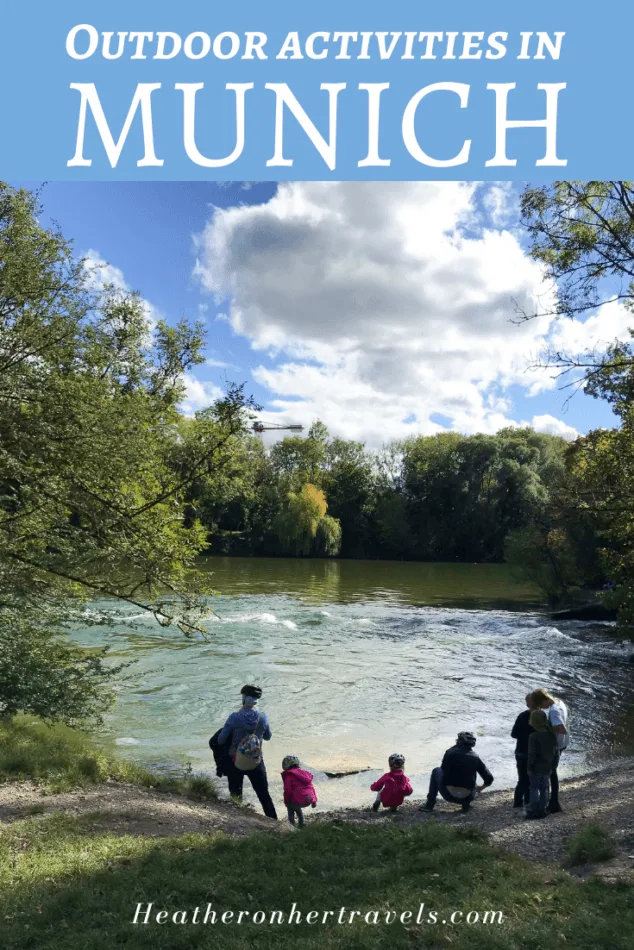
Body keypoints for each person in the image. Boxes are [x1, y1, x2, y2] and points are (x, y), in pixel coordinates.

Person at [218, 684, 278, 820]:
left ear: (244, 698)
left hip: (235, 761)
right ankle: (274, 822)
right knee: (264, 794)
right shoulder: (263, 717)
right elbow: (268, 737)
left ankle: (237, 822)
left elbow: (221, 740)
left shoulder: (234, 717)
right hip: (256, 761)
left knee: (236, 794)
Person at [419, 731, 493, 813]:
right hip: (467, 797)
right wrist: (480, 788)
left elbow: (443, 771)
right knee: (470, 777)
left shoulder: (449, 753)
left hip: (448, 795)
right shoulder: (475, 757)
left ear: (459, 742)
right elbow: (489, 778)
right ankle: (466, 806)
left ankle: (429, 805)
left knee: (436, 770)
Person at [530, 688, 569, 814]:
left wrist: (546, 728)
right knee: (552, 772)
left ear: (544, 700)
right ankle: (552, 802)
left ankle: (553, 803)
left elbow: (562, 729)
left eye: (541, 705)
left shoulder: (553, 711)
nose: (542, 708)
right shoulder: (559, 702)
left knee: (551, 773)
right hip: (563, 743)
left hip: (555, 745)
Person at [525, 709, 559, 820]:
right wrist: (554, 765)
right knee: (544, 787)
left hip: (536, 767)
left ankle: (534, 810)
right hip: (548, 766)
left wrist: (529, 767)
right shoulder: (551, 734)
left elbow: (532, 754)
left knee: (534, 788)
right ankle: (543, 809)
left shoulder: (533, 736)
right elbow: (556, 752)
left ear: (533, 722)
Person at [511, 693, 536, 808]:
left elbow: (513, 734)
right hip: (533, 753)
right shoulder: (542, 717)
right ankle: (526, 802)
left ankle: (518, 804)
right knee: (530, 779)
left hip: (521, 752)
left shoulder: (522, 716)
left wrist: (524, 735)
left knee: (523, 780)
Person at [281, 755, 317, 826]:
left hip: (298, 801)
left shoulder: (289, 776)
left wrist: (286, 801)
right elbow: (311, 788)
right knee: (297, 805)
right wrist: (314, 801)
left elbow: (287, 790)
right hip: (308, 800)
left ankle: (292, 825)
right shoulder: (305, 774)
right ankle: (301, 824)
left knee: (290, 808)